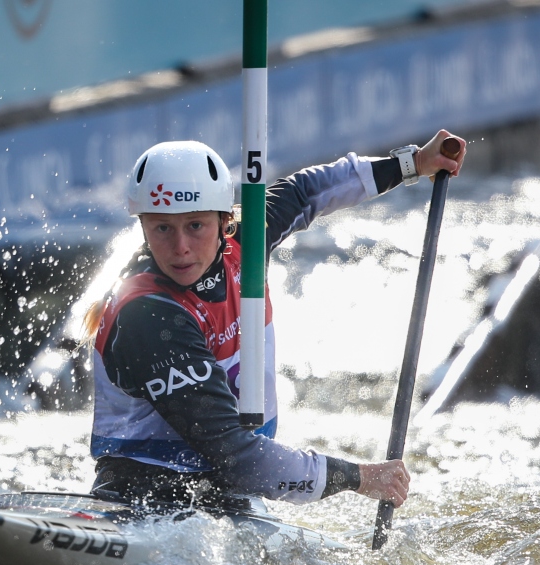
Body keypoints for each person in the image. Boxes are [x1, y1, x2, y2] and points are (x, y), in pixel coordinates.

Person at [83, 130, 466, 508]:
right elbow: (237, 458)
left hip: (229, 494)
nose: (180, 248)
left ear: (224, 221)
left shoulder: (246, 243)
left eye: (195, 225)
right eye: (162, 228)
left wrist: (411, 164)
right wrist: (358, 477)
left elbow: (305, 191)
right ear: (144, 227)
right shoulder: (148, 315)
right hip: (142, 496)